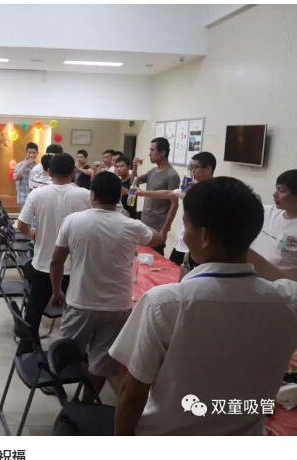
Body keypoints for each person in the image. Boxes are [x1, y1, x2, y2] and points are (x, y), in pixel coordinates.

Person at [109, 177, 297, 436]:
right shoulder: (288, 301)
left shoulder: (163, 303)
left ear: (205, 236)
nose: (184, 235)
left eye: (186, 226)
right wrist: (239, 244)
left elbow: (131, 395)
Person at [50, 172, 163, 401]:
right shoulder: (131, 225)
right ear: (119, 197)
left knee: (67, 353)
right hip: (117, 307)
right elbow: (158, 238)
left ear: (92, 195)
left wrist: (56, 291)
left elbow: (56, 261)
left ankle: (63, 396)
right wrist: (172, 209)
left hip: (80, 301)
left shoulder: (73, 221)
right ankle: (86, 403)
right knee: (102, 363)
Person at [16, 153, 91, 357]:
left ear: (49, 172)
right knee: (75, 314)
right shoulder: (85, 195)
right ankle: (71, 356)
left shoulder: (37, 194)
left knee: (34, 311)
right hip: (74, 267)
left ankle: (26, 350)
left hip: (43, 264)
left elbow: (21, 225)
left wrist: (33, 234)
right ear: (73, 173)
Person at [136, 152, 216, 269]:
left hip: (197, 248)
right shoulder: (191, 187)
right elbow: (170, 193)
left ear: (208, 169)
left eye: (195, 167)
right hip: (181, 243)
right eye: (191, 167)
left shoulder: (215, 191)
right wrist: (143, 193)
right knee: (170, 271)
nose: (192, 171)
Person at [130, 138, 181, 255]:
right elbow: (134, 182)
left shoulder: (172, 175)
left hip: (158, 225)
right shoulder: (153, 171)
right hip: (145, 220)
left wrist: (164, 230)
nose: (149, 154)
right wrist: (135, 168)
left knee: (155, 257)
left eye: (152, 150)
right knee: (141, 255)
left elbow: (174, 205)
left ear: (162, 152)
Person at [250, 169, 297, 275]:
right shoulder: (267, 212)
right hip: (254, 277)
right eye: (276, 189)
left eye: (281, 190)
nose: (275, 194)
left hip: (283, 284)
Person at [13, 142, 39, 212]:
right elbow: (15, 177)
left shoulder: (38, 167)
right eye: (29, 152)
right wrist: (25, 165)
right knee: (24, 218)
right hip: (23, 198)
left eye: (34, 153)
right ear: (26, 153)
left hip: (35, 198)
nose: (31, 155)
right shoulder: (20, 165)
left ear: (37, 154)